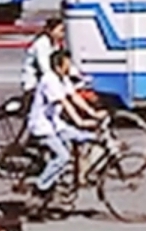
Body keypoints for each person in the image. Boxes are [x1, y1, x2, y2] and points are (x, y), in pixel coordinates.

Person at [28, 49, 103, 205]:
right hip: (42, 127)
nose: (69, 68)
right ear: (57, 67)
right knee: (63, 156)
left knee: (83, 137)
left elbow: (74, 97)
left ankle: (70, 181)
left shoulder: (63, 79)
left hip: (55, 124)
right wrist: (80, 121)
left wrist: (93, 113)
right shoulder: (50, 80)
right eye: (67, 65)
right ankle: (41, 187)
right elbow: (64, 102)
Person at [20, 18, 66, 101]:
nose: (63, 34)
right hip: (35, 81)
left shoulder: (56, 44)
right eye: (61, 30)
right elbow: (44, 67)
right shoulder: (41, 43)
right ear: (50, 31)